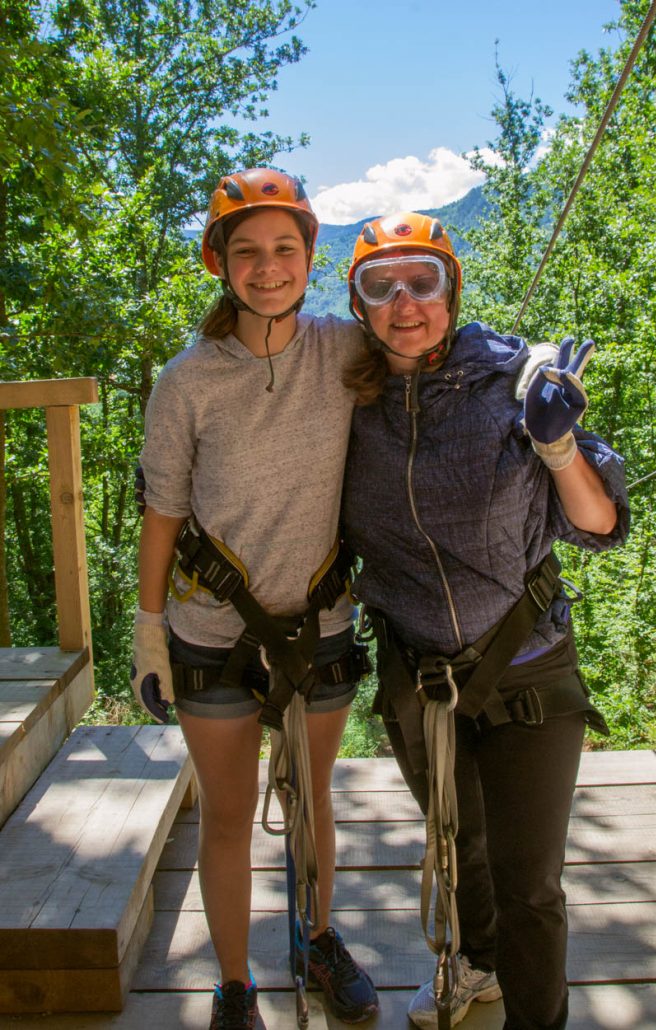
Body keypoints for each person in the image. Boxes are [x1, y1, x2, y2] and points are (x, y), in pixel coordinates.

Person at [341, 211, 629, 1030]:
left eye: (423, 282)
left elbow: (601, 525)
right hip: (419, 679)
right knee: (460, 852)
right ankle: (478, 969)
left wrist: (559, 446)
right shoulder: (347, 408)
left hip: (526, 666)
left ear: (452, 290)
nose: (405, 303)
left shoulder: (515, 383)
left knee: (528, 881)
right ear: (358, 305)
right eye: (380, 286)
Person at [130, 168, 379, 1030]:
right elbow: (163, 517)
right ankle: (235, 986)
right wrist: (149, 628)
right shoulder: (188, 384)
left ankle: (314, 939)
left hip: (319, 625)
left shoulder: (347, 351)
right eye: (247, 252)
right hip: (212, 634)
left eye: (285, 248)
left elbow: (428, 351)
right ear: (217, 263)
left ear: (312, 256)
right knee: (229, 815)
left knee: (314, 801)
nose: (267, 267)